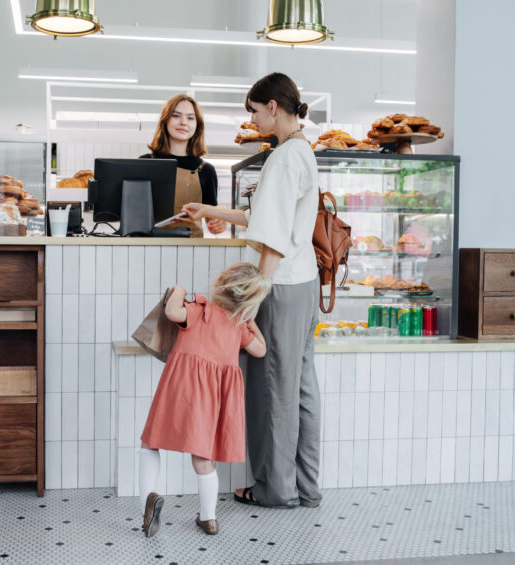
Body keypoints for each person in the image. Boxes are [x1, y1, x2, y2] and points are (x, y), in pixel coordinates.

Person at [182, 72, 321, 509]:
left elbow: (273, 238)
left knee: (272, 390)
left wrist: (254, 293)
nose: (255, 119)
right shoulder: (302, 152)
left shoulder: (282, 158)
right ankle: (305, 486)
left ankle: (273, 490)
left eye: (255, 111)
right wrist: (209, 209)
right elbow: (264, 218)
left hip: (279, 288)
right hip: (304, 285)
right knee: (299, 389)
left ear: (273, 107)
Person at [138, 263, 269, 537]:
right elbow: (260, 349)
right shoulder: (238, 326)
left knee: (150, 444)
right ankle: (209, 518)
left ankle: (148, 503)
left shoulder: (200, 310)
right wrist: (248, 318)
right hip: (212, 401)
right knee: (202, 458)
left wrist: (179, 289)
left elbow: (172, 311)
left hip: (181, 390)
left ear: (220, 282)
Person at [140, 94, 226, 237]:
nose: (183, 122)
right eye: (176, 116)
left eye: (190, 118)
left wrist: (218, 224)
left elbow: (211, 221)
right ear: (165, 120)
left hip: (191, 250)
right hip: (150, 246)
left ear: (197, 125)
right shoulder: (144, 163)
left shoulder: (206, 170)